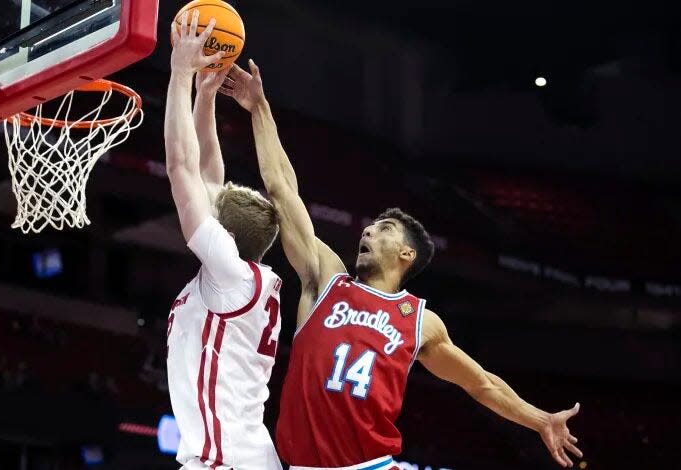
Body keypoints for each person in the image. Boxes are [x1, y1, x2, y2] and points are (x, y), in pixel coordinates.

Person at [219, 60, 584, 469]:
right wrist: (259, 108)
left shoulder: (419, 322)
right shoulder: (325, 280)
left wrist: (540, 420)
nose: (368, 233)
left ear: (407, 254)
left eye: (384, 228)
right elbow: (282, 190)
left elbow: (479, 383)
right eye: (369, 228)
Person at [165, 12, 283, 469]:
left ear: (225, 235)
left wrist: (178, 73)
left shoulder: (230, 277)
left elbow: (182, 168)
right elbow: (206, 175)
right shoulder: (236, 278)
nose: (205, 194)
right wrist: (206, 95)